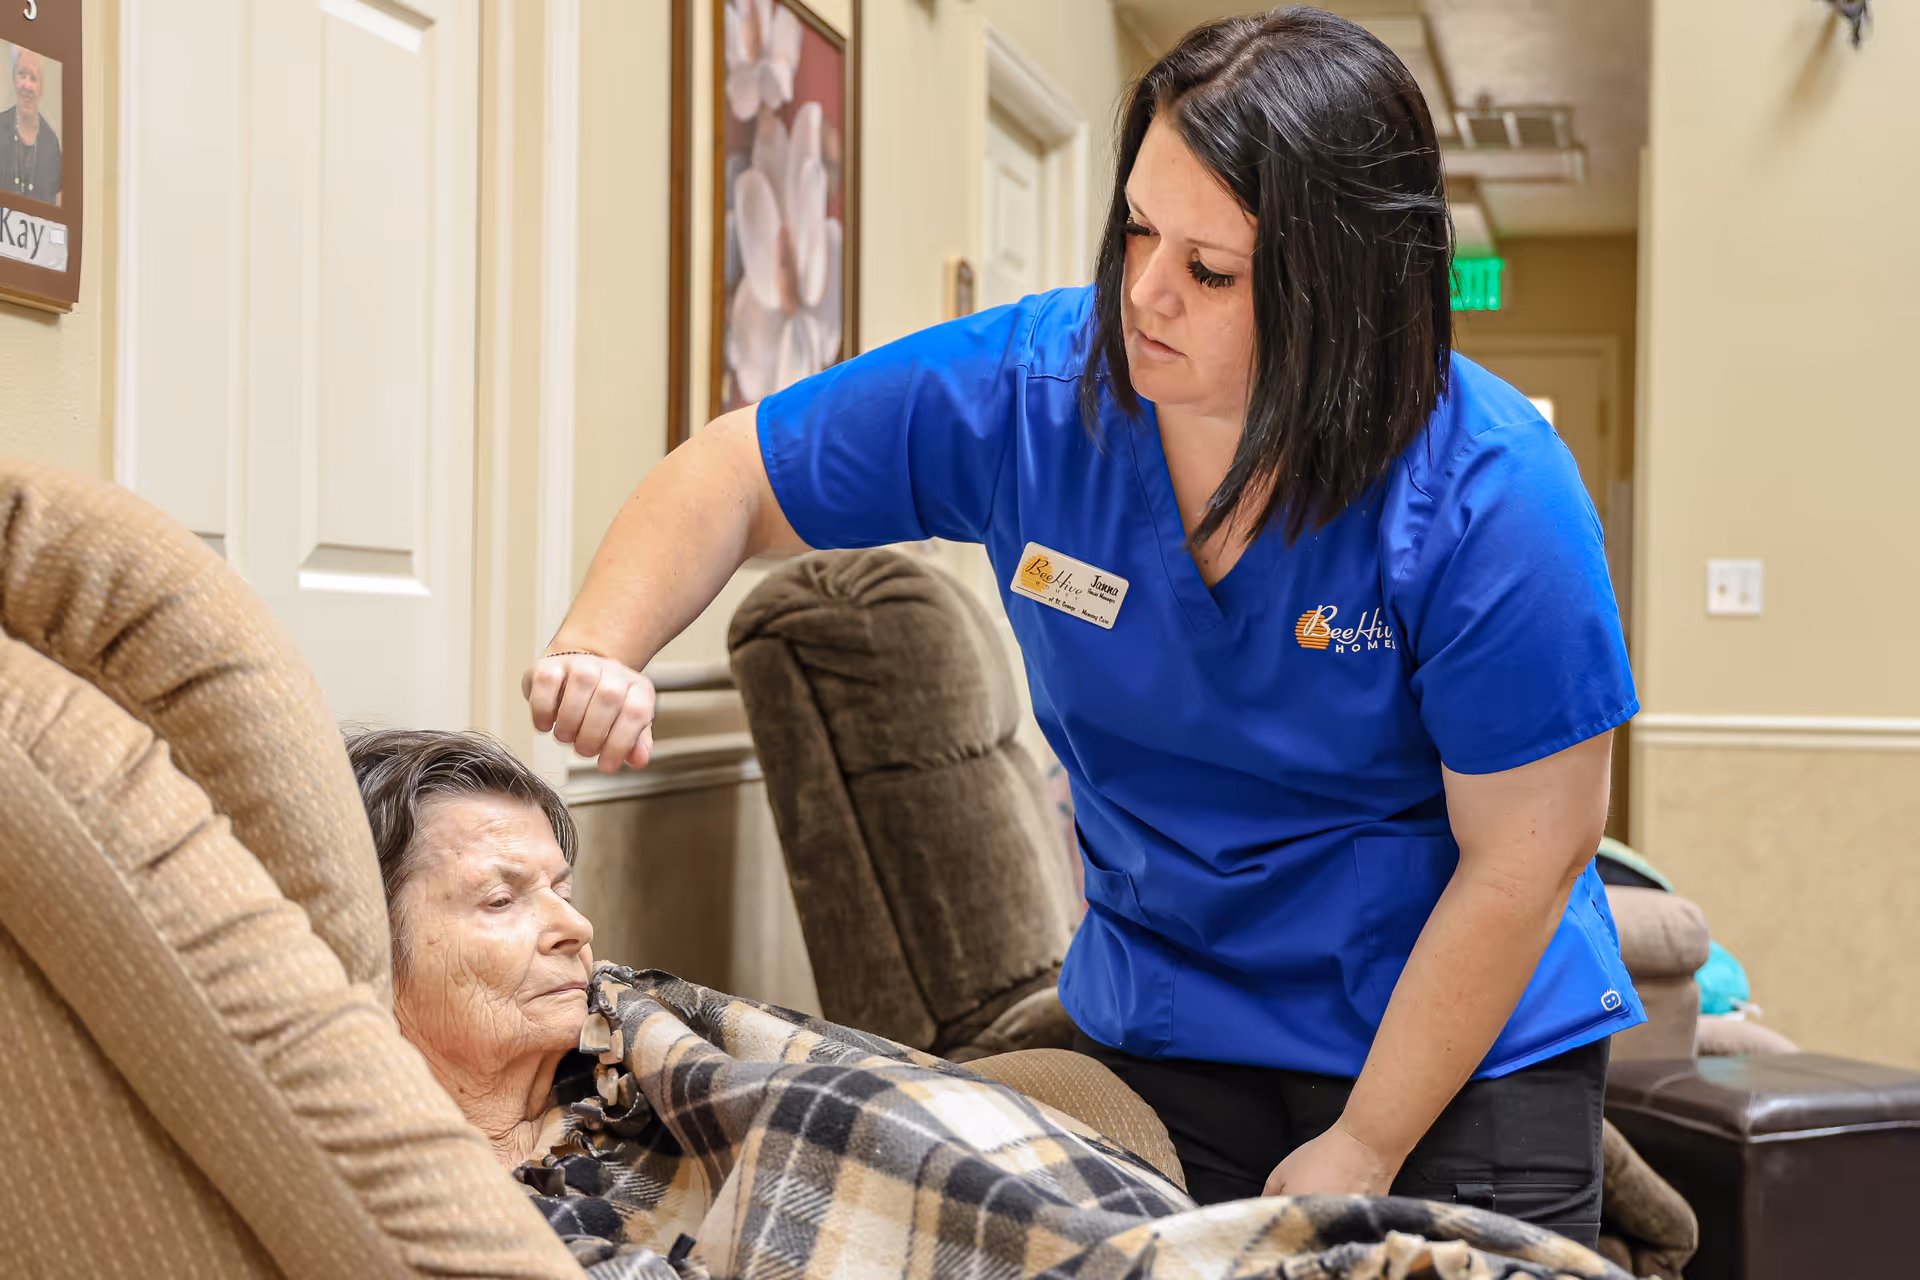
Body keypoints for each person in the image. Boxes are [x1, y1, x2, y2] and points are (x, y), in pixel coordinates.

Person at [522, 6, 1641, 1245]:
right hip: (1167, 1025)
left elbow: (1528, 853)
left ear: (1344, 296)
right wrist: (599, 642)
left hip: (1452, 1045)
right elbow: (735, 472)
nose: (1144, 294)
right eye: (1138, 229)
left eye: (1210, 270)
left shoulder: (1494, 492)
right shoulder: (1033, 392)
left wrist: (1365, 1140)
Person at [346, 728, 595, 1169]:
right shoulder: (354, 1179)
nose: (577, 927)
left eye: (563, 893)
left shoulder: (661, 1057)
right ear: (368, 950)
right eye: (500, 901)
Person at [3, 46, 61, 206]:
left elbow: (57, 204)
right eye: (22, 74)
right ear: (14, 78)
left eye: (33, 78)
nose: (27, 85)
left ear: (41, 87)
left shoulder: (51, 143)